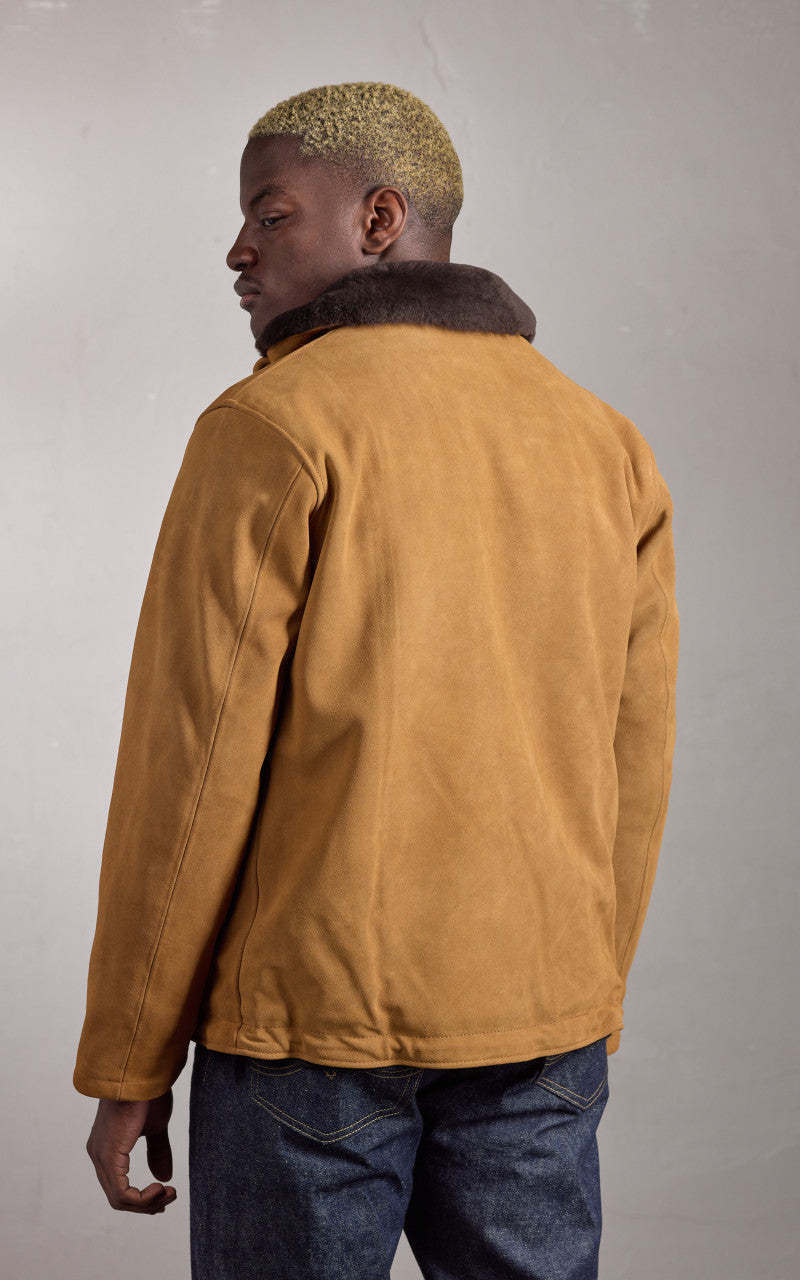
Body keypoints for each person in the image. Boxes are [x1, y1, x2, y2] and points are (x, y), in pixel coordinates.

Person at [74, 81, 679, 1279]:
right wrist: (581, 992)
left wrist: (130, 1058)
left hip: (310, 1031)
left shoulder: (274, 426)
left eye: (270, 214)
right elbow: (634, 755)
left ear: (380, 218)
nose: (237, 249)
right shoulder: (602, 440)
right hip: (540, 1026)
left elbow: (189, 771)